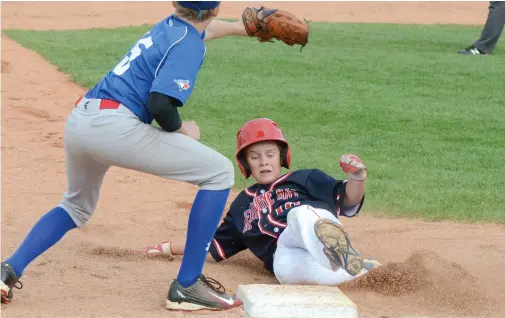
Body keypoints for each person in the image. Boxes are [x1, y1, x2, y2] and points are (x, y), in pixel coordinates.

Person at [0, 2, 307, 312]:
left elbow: (201, 29)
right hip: (114, 128)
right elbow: (160, 103)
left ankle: (7, 270)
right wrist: (182, 129)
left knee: (75, 206)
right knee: (219, 172)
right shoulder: (188, 45)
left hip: (81, 120)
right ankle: (188, 285)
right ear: (215, 9)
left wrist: (241, 29)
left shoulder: (170, 26)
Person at [142, 118, 381, 287]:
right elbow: (212, 244)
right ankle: (360, 269)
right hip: (285, 256)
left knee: (300, 215)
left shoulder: (305, 178)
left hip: (310, 227)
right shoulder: (241, 206)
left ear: (282, 156)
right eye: (255, 157)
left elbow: (348, 198)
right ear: (245, 164)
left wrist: (356, 178)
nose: (263, 162)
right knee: (287, 273)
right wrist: (168, 247)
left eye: (270, 154)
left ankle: (336, 249)